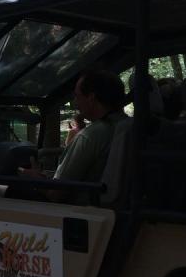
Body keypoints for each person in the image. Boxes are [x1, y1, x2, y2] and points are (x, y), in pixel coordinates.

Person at [19, 69, 127, 201]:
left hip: (77, 209)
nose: (75, 103)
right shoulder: (126, 126)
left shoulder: (91, 135)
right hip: (112, 206)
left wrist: (33, 178)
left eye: (77, 96)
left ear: (91, 98)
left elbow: (56, 194)